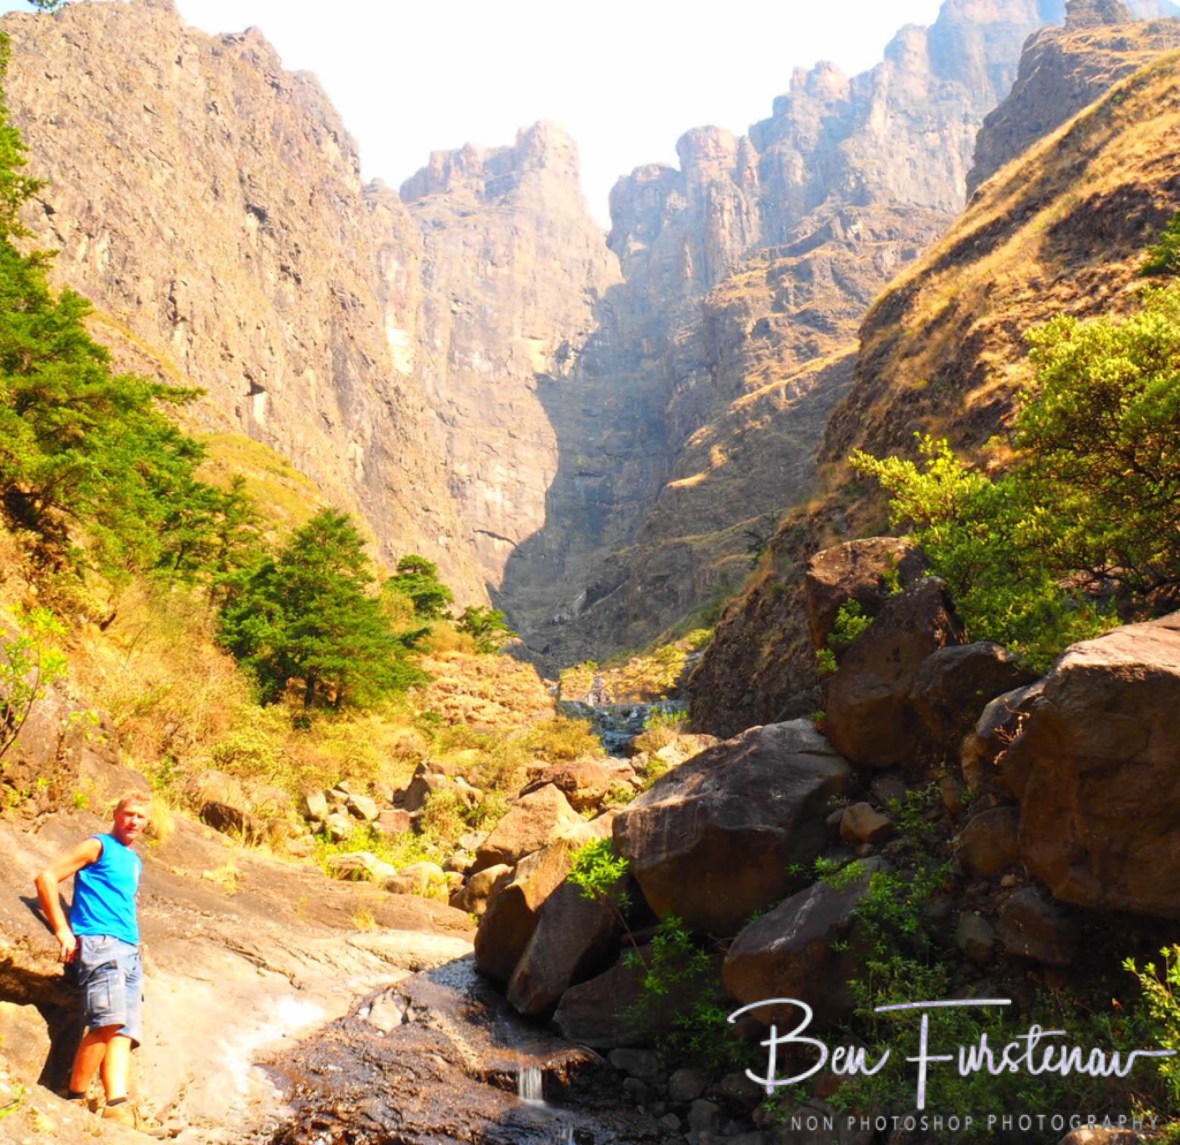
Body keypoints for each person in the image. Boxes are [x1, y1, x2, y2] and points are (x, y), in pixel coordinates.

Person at [34, 790, 162, 1134]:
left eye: (141, 817)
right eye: (129, 813)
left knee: (124, 1031)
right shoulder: (97, 845)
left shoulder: (134, 860)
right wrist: (62, 930)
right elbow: (46, 877)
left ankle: (116, 1105)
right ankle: (74, 1098)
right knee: (106, 1023)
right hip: (100, 943)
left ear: (147, 823)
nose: (134, 821)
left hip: (130, 949)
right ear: (117, 814)